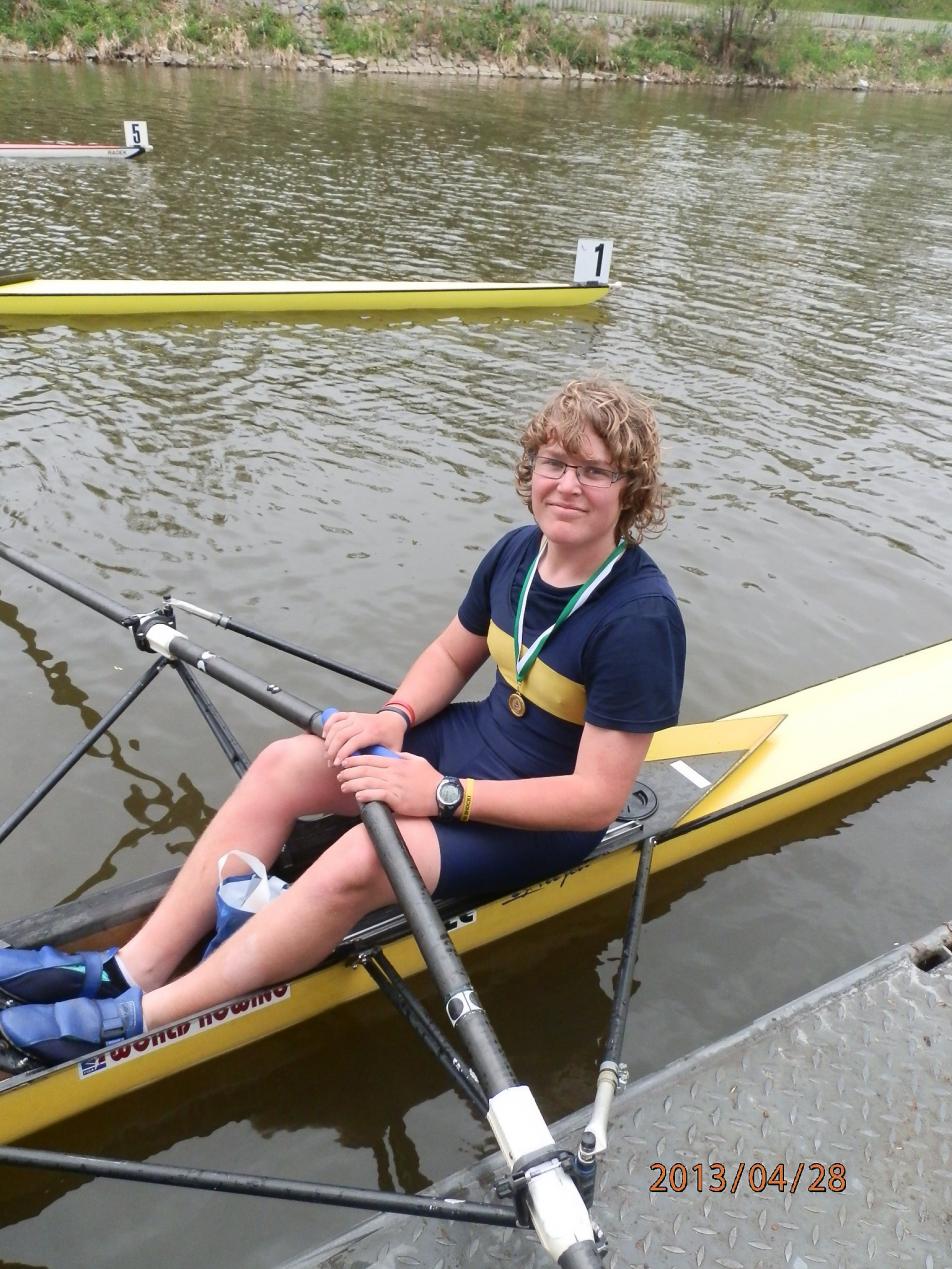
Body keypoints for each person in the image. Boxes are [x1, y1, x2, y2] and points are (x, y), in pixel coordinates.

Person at [0, 378, 686, 1067]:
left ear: (630, 488)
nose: (567, 485)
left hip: (544, 815)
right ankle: (129, 968)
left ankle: (140, 1018)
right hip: (475, 742)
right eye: (555, 463)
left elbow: (595, 798)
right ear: (532, 469)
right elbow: (453, 652)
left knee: (365, 856)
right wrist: (394, 717)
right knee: (284, 763)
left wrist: (443, 794)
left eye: (594, 471)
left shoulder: (639, 618)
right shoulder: (517, 553)